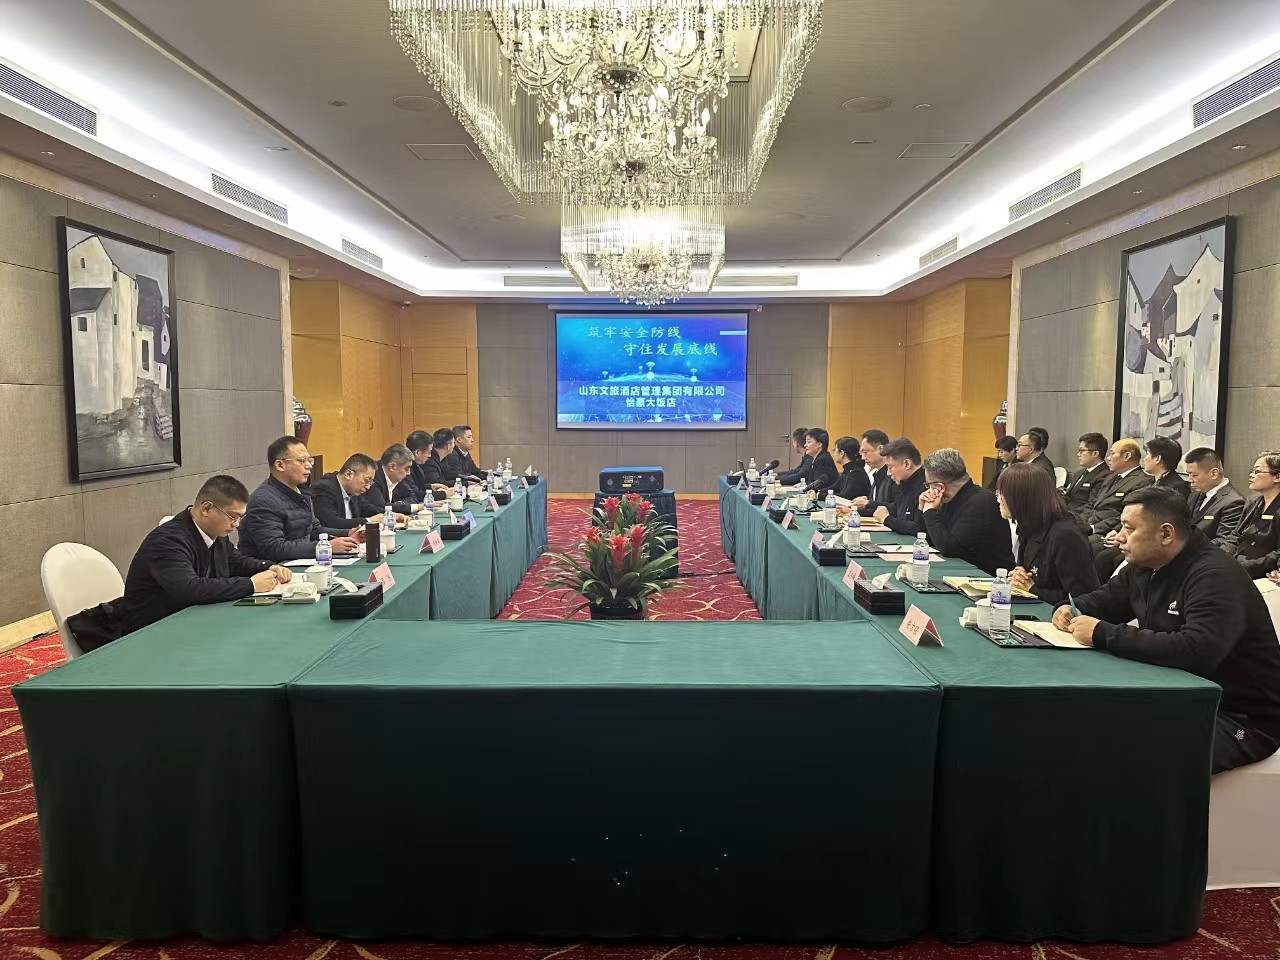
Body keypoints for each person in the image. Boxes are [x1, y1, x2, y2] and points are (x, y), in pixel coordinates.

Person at [1052, 486, 1280, 774]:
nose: (1119, 537)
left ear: (1166, 534)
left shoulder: (1215, 575)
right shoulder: (1145, 565)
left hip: (1238, 716)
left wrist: (1103, 633)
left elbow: (1197, 650)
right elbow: (1106, 601)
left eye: (1129, 528)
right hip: (1176, 695)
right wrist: (1071, 607)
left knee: (1133, 755)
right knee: (1081, 723)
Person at [119, 475, 293, 637]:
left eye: (240, 517)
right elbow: (189, 589)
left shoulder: (215, 533)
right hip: (149, 631)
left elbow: (236, 562)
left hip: (191, 622)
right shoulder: (167, 541)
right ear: (206, 508)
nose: (237, 525)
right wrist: (250, 585)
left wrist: (268, 567)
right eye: (233, 517)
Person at [239, 436, 361, 561]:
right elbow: (274, 548)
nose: (309, 466)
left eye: (309, 460)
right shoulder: (264, 500)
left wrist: (348, 533)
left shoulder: (302, 491)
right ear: (280, 465)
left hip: (301, 562)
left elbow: (314, 530)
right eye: (301, 461)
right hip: (272, 568)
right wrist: (326, 547)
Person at [997, 463, 1099, 606]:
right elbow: (1029, 570)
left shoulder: (1064, 536)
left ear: (1020, 498)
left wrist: (1033, 589)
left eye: (1002, 495)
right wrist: (1019, 574)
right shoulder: (1029, 525)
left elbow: (1083, 598)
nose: (998, 500)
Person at [1094, 436, 1190, 579]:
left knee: (1106, 558)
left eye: (1147, 455)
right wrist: (1118, 531)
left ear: (1157, 459)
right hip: (1134, 534)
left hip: (1150, 539)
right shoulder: (1151, 481)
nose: (1144, 459)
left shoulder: (1176, 487)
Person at [919, 448, 1016, 575]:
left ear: (939, 487)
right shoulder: (951, 499)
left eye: (929, 485)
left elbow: (949, 548)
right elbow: (925, 538)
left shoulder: (980, 502)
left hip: (990, 578)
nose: (928, 489)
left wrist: (929, 512)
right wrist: (923, 508)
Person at [1074, 438, 1152, 542]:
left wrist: (1094, 528)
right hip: (1088, 523)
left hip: (1106, 531)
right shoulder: (1111, 477)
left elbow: (1124, 516)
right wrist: (1075, 519)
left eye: (1112, 453)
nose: (1108, 458)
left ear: (1126, 456)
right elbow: (1094, 504)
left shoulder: (1142, 481)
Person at [1219, 451, 1280, 578]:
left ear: (1277, 477)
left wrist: (1241, 567)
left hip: (1260, 572)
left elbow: (1277, 554)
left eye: (1257, 471)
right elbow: (1235, 535)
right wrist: (1221, 556)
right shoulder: (1252, 503)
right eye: (1252, 471)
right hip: (1236, 563)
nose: (1251, 475)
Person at [854, 437, 928, 535]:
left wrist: (886, 519)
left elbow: (919, 529)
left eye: (890, 467)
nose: (888, 473)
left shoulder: (926, 486)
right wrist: (859, 510)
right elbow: (896, 508)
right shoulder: (905, 482)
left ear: (907, 464)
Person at [1185, 447, 1245, 541]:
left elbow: (1223, 541)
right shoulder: (1194, 494)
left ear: (1214, 473)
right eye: (1188, 474)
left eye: (1194, 475)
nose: (1189, 479)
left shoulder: (1235, 502)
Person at [310, 453, 379, 530]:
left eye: (370, 483)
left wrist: (387, 514)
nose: (368, 487)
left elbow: (367, 508)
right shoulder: (323, 488)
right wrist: (369, 521)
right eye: (367, 480)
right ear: (348, 474)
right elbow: (330, 522)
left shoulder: (353, 490)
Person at [361, 444, 418, 517]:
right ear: (392, 467)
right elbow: (381, 507)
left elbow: (412, 496)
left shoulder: (396, 477)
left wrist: (398, 505)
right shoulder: (374, 476)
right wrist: (412, 507)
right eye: (406, 468)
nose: (409, 473)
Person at [1063, 433, 1110, 513]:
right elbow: (1067, 497)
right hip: (1065, 512)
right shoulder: (1079, 472)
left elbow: (1091, 505)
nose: (1078, 455)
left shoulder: (1105, 476)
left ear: (1095, 454)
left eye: (1081, 451)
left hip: (1078, 516)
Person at [416, 427, 458, 493]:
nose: (454, 446)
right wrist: (459, 483)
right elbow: (436, 482)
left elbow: (449, 475)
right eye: (453, 443)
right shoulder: (429, 460)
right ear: (448, 446)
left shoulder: (444, 458)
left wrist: (463, 480)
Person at [801, 428, 839, 494]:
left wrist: (806, 485)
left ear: (819, 444)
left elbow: (819, 485)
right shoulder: (818, 457)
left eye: (809, 442)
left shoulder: (823, 459)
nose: (805, 445)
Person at [405, 430, 434, 500]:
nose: (430, 455)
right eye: (428, 452)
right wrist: (444, 494)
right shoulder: (405, 468)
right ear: (417, 452)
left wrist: (430, 486)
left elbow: (417, 487)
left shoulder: (416, 466)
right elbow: (415, 494)